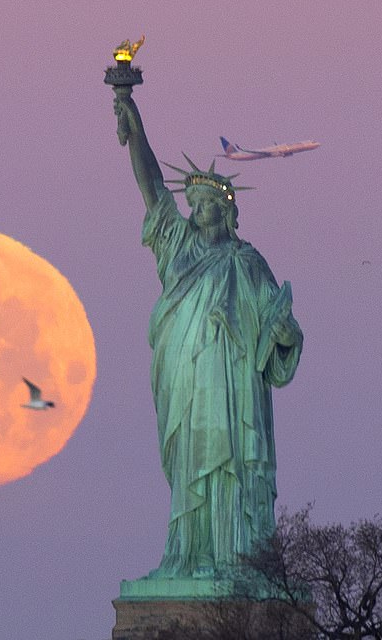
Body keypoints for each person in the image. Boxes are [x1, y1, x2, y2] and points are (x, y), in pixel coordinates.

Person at [114, 94, 304, 579]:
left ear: (227, 213)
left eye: (208, 205)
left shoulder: (247, 262)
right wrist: (135, 125)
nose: (198, 211)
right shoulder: (175, 245)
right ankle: (189, 558)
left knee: (233, 467)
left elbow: (278, 327)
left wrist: (282, 333)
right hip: (187, 380)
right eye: (193, 204)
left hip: (235, 387)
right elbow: (152, 187)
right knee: (192, 464)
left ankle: (239, 559)